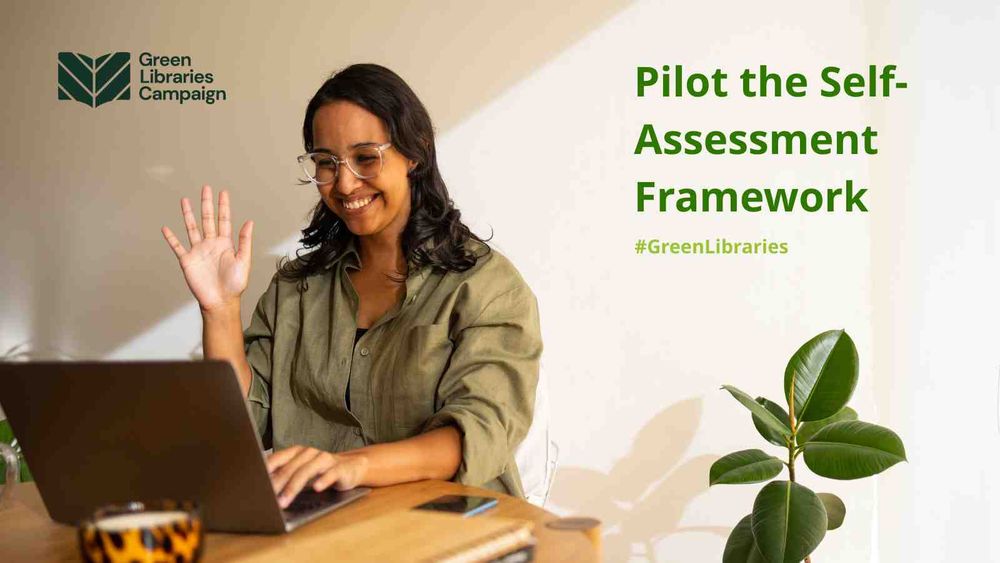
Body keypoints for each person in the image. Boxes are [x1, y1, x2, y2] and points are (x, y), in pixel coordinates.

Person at [161, 64, 542, 505]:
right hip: (320, 526)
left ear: (414, 152)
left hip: (446, 527)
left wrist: (353, 465)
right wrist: (221, 310)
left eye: (365, 158)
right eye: (326, 163)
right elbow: (240, 426)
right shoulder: (296, 289)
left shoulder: (484, 286)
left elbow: (477, 432)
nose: (343, 183)